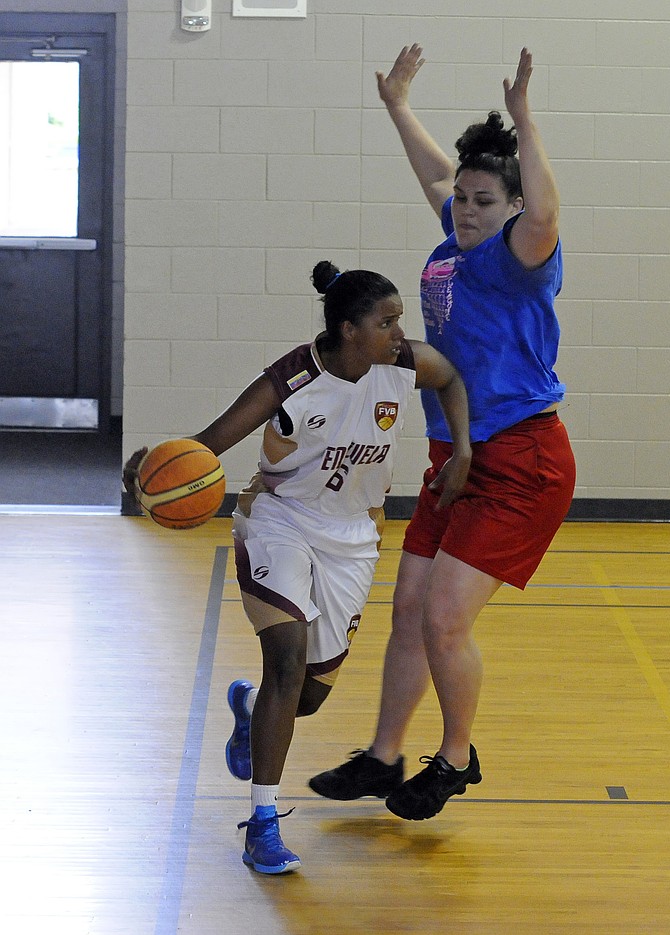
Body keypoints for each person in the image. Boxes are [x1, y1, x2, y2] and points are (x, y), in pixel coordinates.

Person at [123, 260, 471, 872]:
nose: (399, 333)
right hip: (279, 522)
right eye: (386, 322)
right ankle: (262, 824)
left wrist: (462, 450)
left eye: (399, 321)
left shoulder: (405, 364)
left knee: (305, 697)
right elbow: (208, 444)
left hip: (354, 537)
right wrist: (150, 473)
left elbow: (452, 378)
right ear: (348, 330)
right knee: (285, 664)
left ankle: (249, 712)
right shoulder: (292, 379)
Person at [308, 47, 577, 821]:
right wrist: (398, 106)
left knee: (444, 619)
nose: (463, 208)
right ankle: (383, 755)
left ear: (513, 205)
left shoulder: (521, 255)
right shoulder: (455, 242)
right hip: (453, 456)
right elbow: (437, 176)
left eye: (483, 200)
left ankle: (457, 757)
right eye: (461, 198)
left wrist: (525, 120)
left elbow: (545, 213)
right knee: (409, 610)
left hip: (521, 459)